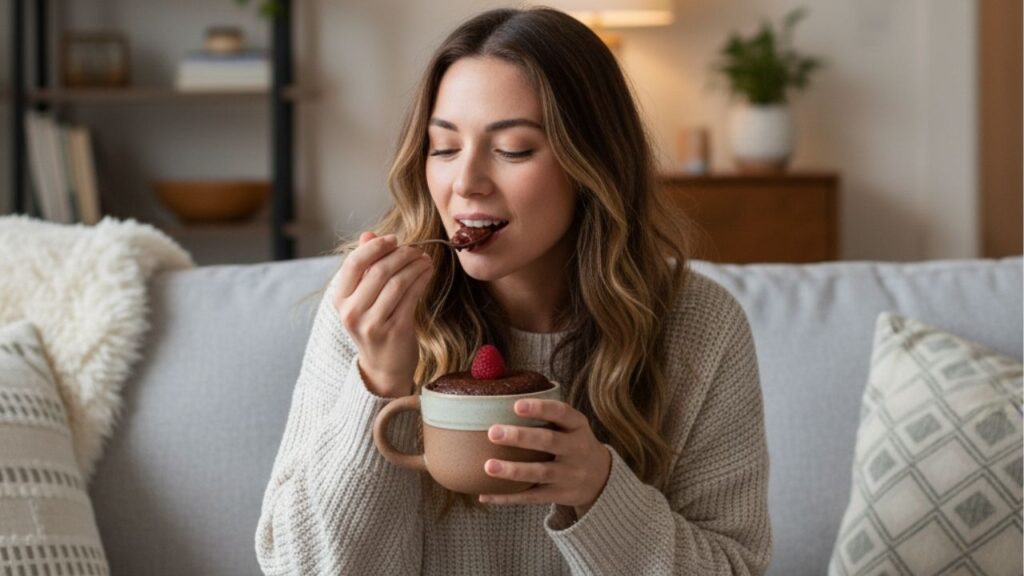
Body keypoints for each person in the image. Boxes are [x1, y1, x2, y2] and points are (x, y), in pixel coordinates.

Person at [256, 7, 771, 575]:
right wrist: (379, 379)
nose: (466, 183)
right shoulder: (375, 314)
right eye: (444, 148)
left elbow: (734, 568)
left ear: (592, 165)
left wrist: (601, 491)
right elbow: (297, 567)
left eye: (514, 149)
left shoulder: (698, 324)